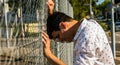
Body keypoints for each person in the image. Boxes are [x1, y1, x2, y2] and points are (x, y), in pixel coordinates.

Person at [42, 0, 115, 65]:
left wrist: (49, 55)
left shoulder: (86, 38)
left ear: (63, 25)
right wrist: (50, 14)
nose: (60, 40)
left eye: (58, 36)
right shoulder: (89, 25)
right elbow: (57, 21)